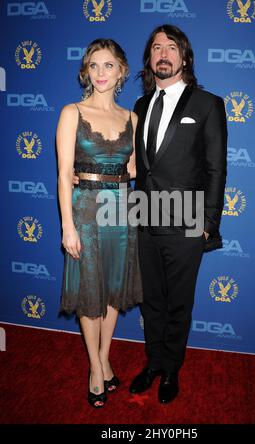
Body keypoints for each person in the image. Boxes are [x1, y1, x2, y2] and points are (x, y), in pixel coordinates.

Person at [129, 25, 227, 403]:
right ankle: (153, 362)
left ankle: (171, 369)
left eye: (171, 47)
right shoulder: (141, 105)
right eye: (156, 48)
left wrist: (207, 223)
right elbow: (141, 166)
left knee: (178, 302)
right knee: (151, 299)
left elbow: (217, 169)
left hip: (187, 220)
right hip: (144, 216)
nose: (163, 54)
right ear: (150, 59)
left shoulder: (207, 104)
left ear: (184, 57)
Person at [56, 38, 142, 408]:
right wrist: (67, 226)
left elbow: (134, 169)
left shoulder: (132, 118)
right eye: (94, 65)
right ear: (85, 71)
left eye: (109, 65)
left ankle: (105, 358)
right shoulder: (72, 112)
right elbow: (62, 175)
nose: (101, 73)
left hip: (122, 212)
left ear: (121, 71)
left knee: (111, 293)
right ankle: (95, 368)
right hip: (85, 213)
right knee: (91, 293)